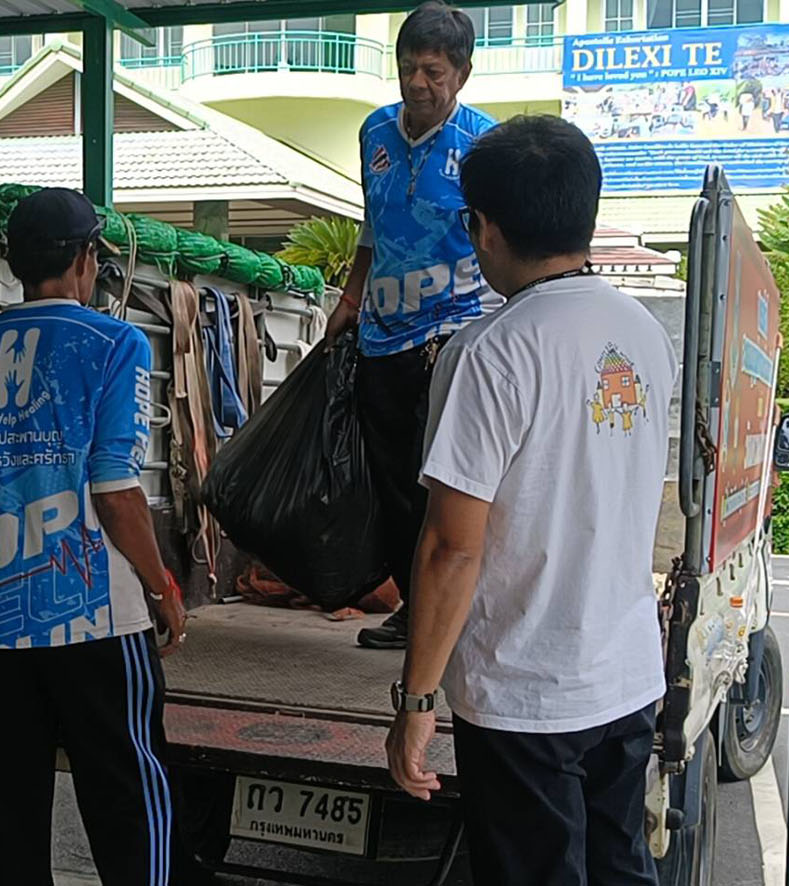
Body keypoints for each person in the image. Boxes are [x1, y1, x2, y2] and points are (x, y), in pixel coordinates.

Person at [384, 115, 677, 886]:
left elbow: (453, 546)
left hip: (524, 695)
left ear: (481, 229)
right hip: (625, 676)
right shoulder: (644, 334)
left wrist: (415, 698)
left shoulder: (488, 352)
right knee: (621, 867)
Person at [0, 187, 188, 885]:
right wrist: (162, 586)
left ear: (14, 263)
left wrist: (9, 487)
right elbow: (116, 489)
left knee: (8, 809)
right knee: (127, 794)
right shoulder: (114, 342)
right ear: (85, 258)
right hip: (95, 618)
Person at [321, 2, 499, 649]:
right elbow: (371, 221)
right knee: (393, 482)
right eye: (406, 69)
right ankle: (413, 605)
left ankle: (463, 611)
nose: (418, 84)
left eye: (433, 70)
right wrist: (349, 297)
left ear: (462, 73)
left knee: (450, 482)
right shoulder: (373, 132)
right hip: (383, 335)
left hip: (456, 333)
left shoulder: (484, 142)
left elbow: (499, 236)